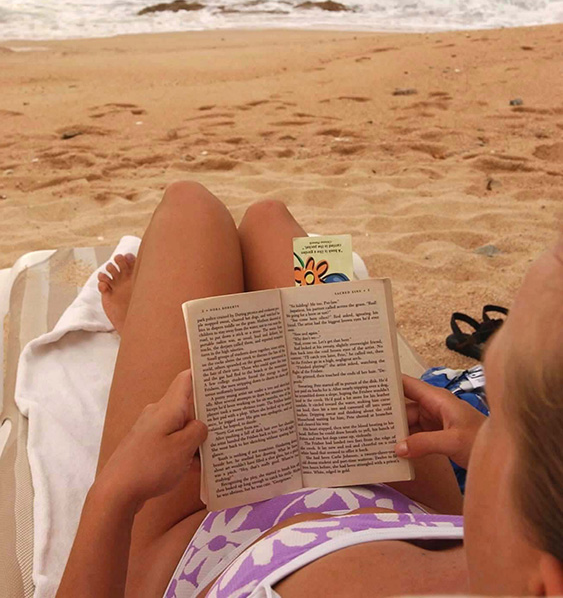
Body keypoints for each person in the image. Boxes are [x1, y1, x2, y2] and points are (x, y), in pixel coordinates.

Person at [55, 182, 563, 598]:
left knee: (193, 208)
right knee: (270, 219)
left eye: (503, 425)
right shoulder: (513, 566)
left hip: (196, 543)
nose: (483, 421)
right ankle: (171, 323)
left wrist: (114, 495)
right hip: (403, 508)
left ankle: (149, 328)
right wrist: (482, 445)